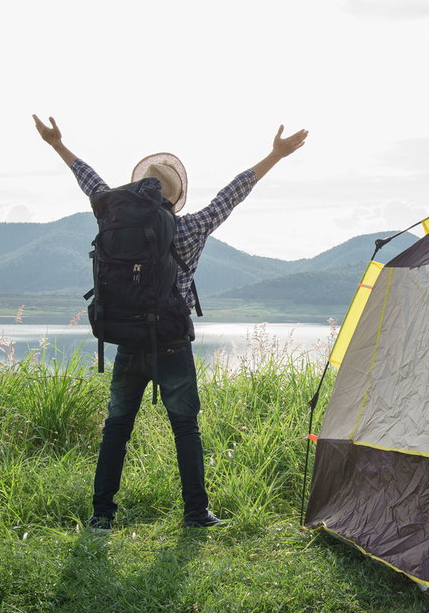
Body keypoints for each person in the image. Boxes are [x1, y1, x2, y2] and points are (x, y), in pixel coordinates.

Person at [32, 114, 309, 531]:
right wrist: (274, 154)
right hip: (171, 342)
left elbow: (87, 178)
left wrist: (57, 144)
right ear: (175, 196)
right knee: (185, 427)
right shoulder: (190, 227)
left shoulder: (110, 212)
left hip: (125, 336)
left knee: (116, 428)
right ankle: (196, 514)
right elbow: (231, 195)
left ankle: (102, 515)